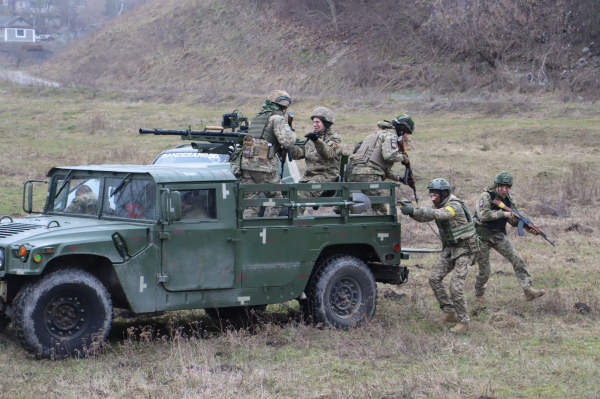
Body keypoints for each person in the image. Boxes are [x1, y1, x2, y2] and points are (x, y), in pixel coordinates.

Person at [400, 178, 478, 333]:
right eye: (431, 194)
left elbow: (442, 215)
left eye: (435, 194)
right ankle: (449, 312)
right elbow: (426, 216)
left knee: (455, 287)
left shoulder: (454, 205)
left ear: (444, 193)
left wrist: (415, 210)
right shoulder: (440, 205)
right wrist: (411, 212)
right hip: (451, 248)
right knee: (434, 278)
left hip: (465, 249)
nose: (432, 197)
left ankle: (464, 322)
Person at [474, 171, 546, 301]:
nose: (504, 190)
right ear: (496, 185)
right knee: (485, 270)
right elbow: (483, 216)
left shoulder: (509, 199)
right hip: (481, 235)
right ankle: (479, 294)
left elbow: (514, 220)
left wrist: (528, 227)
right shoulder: (486, 196)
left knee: (517, 259)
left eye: (507, 187)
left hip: (498, 234)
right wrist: (504, 214)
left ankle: (527, 289)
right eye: (502, 186)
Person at [240, 90, 297, 217]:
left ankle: (248, 232)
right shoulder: (277, 118)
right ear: (284, 106)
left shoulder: (258, 117)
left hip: (246, 165)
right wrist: (292, 132)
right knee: (276, 199)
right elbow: (288, 142)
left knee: (251, 203)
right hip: (263, 166)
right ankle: (267, 229)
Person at [350, 114, 415, 215]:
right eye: (405, 132)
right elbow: (389, 156)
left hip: (356, 174)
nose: (405, 136)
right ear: (401, 129)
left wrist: (399, 178)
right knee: (381, 212)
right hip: (370, 176)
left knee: (366, 206)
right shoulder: (391, 136)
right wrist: (404, 158)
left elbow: (376, 165)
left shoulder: (375, 134)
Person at [290, 107, 343, 215]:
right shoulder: (312, 139)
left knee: (301, 194)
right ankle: (291, 219)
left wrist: (316, 141)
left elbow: (329, 153)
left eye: (318, 122)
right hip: (309, 177)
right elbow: (299, 153)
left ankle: (294, 222)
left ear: (326, 123)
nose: (315, 124)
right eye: (314, 122)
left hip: (326, 177)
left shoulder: (335, 140)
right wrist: (288, 143)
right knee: (292, 192)